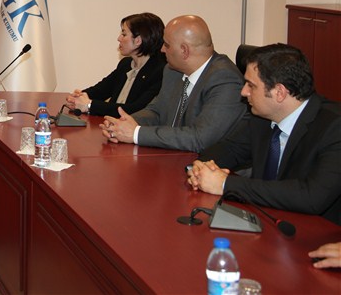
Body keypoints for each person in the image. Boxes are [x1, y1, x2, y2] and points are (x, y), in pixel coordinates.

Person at [188, 43, 341, 225]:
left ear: (279, 92)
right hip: (267, 222)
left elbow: (312, 196)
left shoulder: (334, 127)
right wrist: (201, 168)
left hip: (317, 231)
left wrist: (225, 184)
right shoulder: (262, 118)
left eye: (251, 85)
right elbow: (229, 150)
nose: (244, 92)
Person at [99, 15, 247, 152]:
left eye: (167, 45)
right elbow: (156, 110)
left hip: (209, 165)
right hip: (172, 157)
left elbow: (200, 138)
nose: (162, 49)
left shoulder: (225, 80)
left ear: (184, 50)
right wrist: (124, 124)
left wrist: (136, 133)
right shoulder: (172, 71)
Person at [66, 13, 166, 117]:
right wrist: (79, 97)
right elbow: (101, 90)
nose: (119, 38)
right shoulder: (126, 64)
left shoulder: (161, 71)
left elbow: (135, 109)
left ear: (138, 40)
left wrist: (89, 105)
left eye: (124, 34)